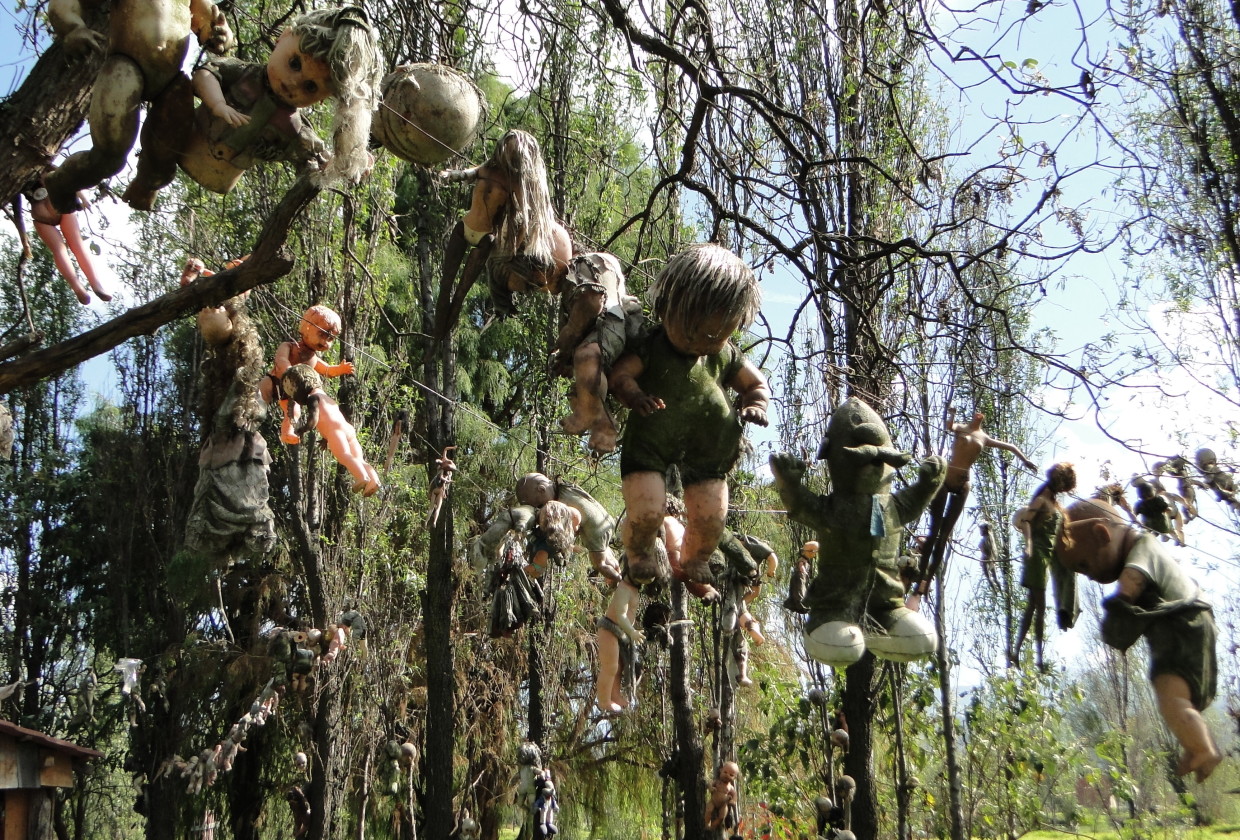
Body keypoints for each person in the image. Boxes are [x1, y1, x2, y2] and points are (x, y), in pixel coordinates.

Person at [610, 244, 770, 586]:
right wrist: (634, 395)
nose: (702, 342)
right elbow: (620, 376)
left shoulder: (724, 356)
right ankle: (638, 552)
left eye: (715, 335)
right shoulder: (653, 346)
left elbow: (756, 384)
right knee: (647, 510)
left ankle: (696, 556)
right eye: (692, 331)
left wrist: (756, 403)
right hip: (650, 445)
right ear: (667, 306)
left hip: (710, 451)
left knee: (712, 517)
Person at [127, 6, 381, 208]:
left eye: (311, 87)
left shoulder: (294, 129)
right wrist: (217, 104)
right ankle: (147, 181)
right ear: (284, 38)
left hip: (220, 175)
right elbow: (205, 73)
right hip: (186, 142)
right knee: (176, 89)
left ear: (323, 99)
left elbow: (317, 163)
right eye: (294, 63)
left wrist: (351, 162)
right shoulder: (245, 75)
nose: (293, 83)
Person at [1056, 498, 1221, 782]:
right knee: (1174, 697)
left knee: (1172, 697)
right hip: (1186, 624)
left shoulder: (1142, 549)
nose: (1090, 576)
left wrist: (1119, 608)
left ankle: (1203, 748)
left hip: (1182, 624)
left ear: (1101, 534)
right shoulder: (1144, 547)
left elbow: (1131, 582)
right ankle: (1194, 742)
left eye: (1084, 565)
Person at [43, 0, 234, 212]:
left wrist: (221, 36)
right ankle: (60, 183)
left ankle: (146, 184)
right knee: (109, 155)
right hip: (126, 64)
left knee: (164, 160)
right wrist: (72, 28)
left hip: (170, 78)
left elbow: (213, 26)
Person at [435, 130, 572, 338]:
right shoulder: (487, 169)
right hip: (464, 226)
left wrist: (514, 249)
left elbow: (526, 219)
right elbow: (467, 174)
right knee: (446, 283)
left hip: (486, 240)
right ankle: (435, 331)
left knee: (462, 292)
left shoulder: (515, 184)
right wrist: (450, 176)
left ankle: (442, 335)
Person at [914, 409, 1036, 595]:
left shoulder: (984, 437)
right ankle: (919, 580)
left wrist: (1025, 460)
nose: (979, 414)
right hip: (947, 480)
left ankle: (927, 581)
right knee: (933, 532)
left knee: (944, 537)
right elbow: (949, 426)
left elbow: (1010, 446)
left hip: (963, 483)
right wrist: (952, 415)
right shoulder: (961, 428)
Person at [553, 252, 647, 453]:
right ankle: (603, 427)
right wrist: (566, 359)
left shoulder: (582, 264)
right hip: (605, 336)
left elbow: (592, 300)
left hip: (610, 324)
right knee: (579, 391)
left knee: (587, 357)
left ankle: (591, 414)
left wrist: (569, 335)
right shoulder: (567, 293)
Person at [1011, 463, 1078, 670]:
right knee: (1038, 608)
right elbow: (1026, 522)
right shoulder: (1041, 501)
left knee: (1034, 608)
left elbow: (1064, 529)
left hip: (1045, 559)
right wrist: (1029, 544)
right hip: (1037, 556)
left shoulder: (1055, 505)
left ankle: (1018, 652)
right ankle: (1036, 657)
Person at [260, 306, 355, 445]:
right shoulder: (289, 346)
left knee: (294, 412)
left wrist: (340, 369)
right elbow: (280, 360)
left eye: (331, 338)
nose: (325, 342)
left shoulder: (313, 358)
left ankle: (287, 432)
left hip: (291, 392)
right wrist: (290, 371)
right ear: (308, 328)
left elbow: (327, 370)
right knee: (257, 396)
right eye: (322, 335)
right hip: (274, 380)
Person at [280, 365, 380, 496]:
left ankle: (362, 477)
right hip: (347, 429)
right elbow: (328, 417)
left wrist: (302, 430)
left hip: (335, 432)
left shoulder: (312, 398)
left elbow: (314, 420)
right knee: (358, 459)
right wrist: (325, 438)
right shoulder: (325, 396)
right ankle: (374, 480)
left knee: (344, 455)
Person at [24, 182, 112, 304]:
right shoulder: (45, 167)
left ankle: (80, 288)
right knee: (76, 245)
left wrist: (24, 242)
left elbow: (17, 211)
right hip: (59, 205)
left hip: (40, 212)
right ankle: (94, 286)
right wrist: (84, 199)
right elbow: (70, 182)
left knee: (59, 250)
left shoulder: (20, 179)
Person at [594, 572, 643, 713]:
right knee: (610, 667)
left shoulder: (634, 589)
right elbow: (621, 615)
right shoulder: (624, 587)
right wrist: (632, 632)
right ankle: (604, 701)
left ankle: (615, 696)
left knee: (619, 667)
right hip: (609, 627)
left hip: (621, 634)